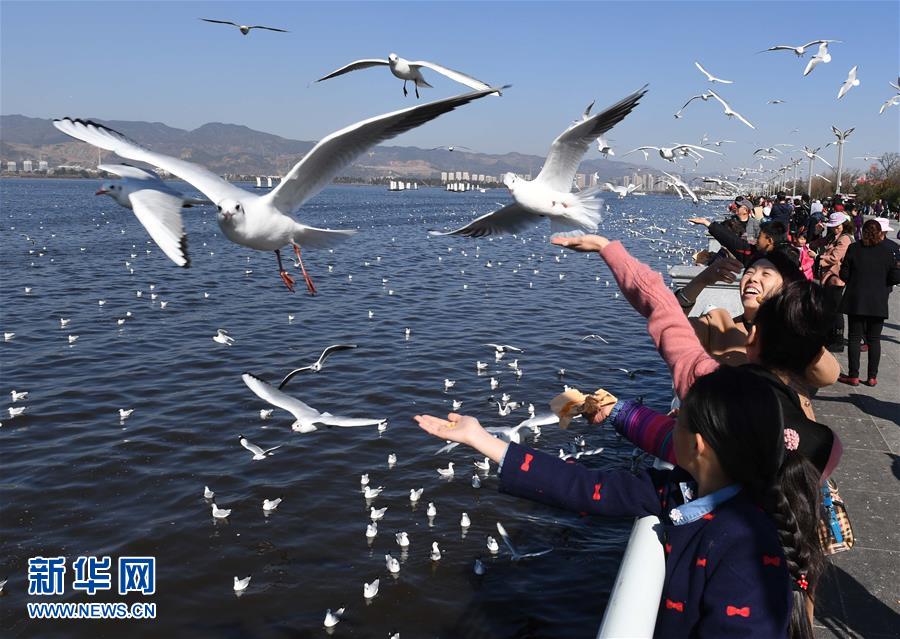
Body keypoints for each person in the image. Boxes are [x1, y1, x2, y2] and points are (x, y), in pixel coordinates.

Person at [415, 366, 824, 638]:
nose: (670, 425)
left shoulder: (745, 546)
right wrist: (482, 440)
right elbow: (584, 487)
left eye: (677, 420)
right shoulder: (679, 488)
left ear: (696, 444)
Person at [554, 235, 841, 421]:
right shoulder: (718, 322)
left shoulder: (795, 336)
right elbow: (669, 320)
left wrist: (792, 320)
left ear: (787, 288)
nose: (753, 278)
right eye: (750, 272)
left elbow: (827, 375)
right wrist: (702, 279)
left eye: (766, 274)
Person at [837, 219, 900, 386]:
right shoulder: (887, 252)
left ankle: (853, 375)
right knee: (874, 339)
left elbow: (844, 274)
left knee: (854, 337)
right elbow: (895, 277)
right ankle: (872, 376)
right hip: (878, 300)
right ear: (880, 233)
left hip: (856, 299)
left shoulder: (854, 248)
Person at [688, 216, 797, 267]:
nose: (757, 240)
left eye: (759, 236)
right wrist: (707, 223)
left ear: (769, 240)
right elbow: (731, 240)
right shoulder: (753, 252)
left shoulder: (786, 259)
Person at [814, 213, 854, 351]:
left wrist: (818, 257)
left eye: (837, 226)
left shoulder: (845, 239)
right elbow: (816, 243)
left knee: (836, 310)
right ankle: (830, 337)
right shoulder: (832, 236)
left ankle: (838, 340)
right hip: (827, 277)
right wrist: (816, 233)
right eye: (833, 226)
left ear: (844, 225)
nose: (834, 229)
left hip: (837, 278)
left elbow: (835, 258)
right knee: (829, 308)